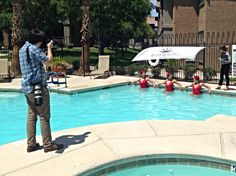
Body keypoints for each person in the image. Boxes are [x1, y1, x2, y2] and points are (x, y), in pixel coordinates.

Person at [19, 29, 64, 153]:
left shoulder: (23, 49)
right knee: (44, 116)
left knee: (31, 115)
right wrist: (49, 48)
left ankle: (31, 144)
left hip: (27, 88)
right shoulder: (34, 49)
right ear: (38, 40)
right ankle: (48, 145)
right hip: (38, 88)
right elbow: (49, 61)